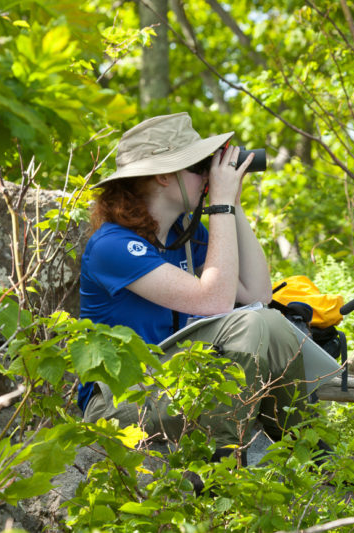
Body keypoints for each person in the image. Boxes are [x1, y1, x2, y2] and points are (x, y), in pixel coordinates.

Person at [78, 112, 309, 461]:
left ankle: (302, 445)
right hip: (119, 402)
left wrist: (234, 204)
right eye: (200, 166)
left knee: (272, 323)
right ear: (163, 175)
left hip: (174, 383)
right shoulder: (112, 245)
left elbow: (258, 295)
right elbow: (214, 301)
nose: (208, 175)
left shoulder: (184, 236)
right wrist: (219, 204)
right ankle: (223, 461)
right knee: (256, 325)